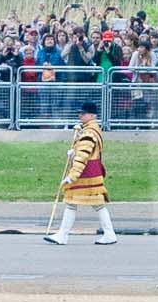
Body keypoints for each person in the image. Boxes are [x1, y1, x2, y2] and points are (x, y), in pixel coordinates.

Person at [45, 101, 118, 246]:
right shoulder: (90, 130)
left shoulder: (89, 133)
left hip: (86, 174)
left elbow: (83, 156)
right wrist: (74, 150)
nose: (80, 115)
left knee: (74, 203)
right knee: (96, 204)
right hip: (92, 172)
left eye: (83, 113)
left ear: (92, 115)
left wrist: (72, 176)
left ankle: (63, 235)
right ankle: (109, 234)